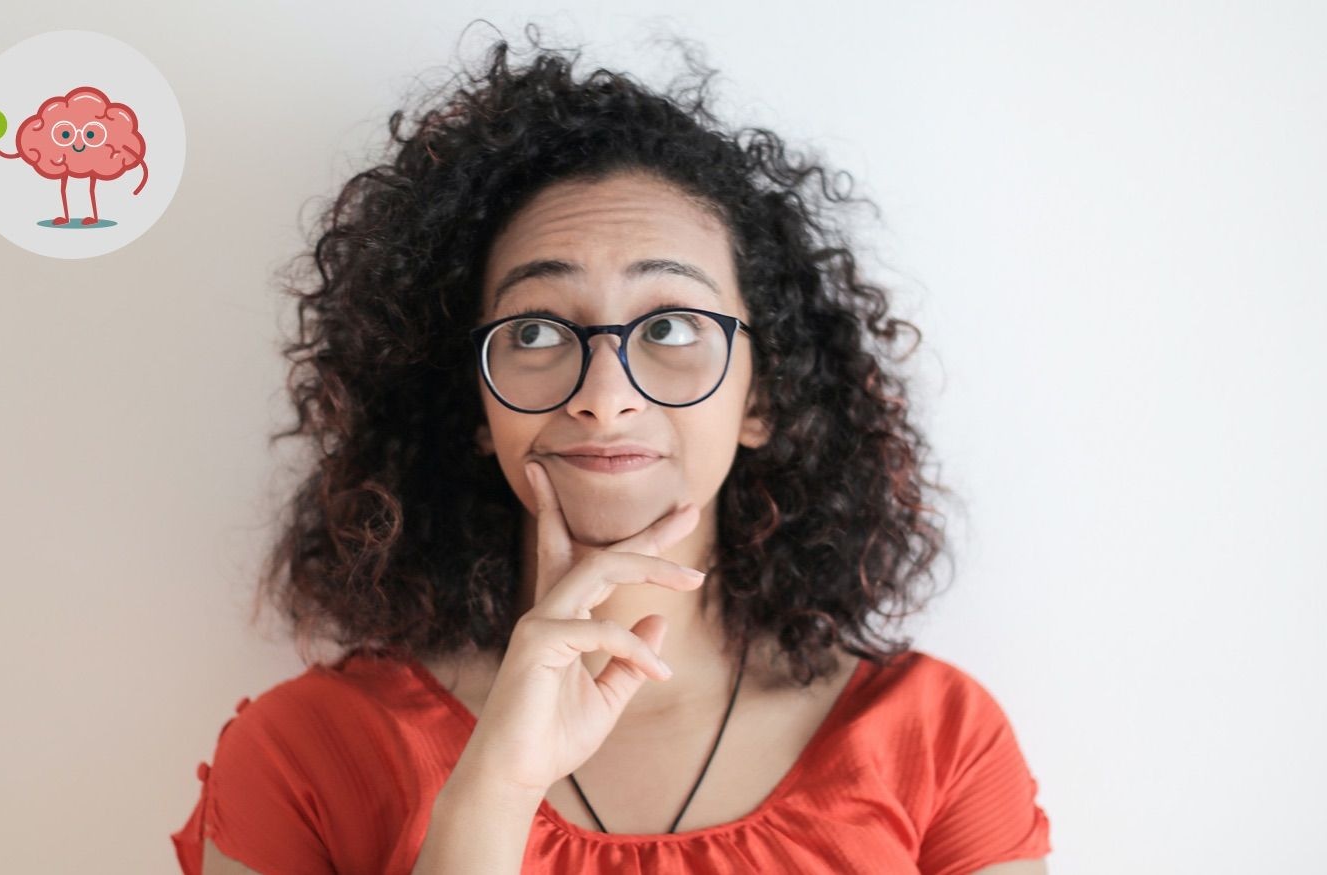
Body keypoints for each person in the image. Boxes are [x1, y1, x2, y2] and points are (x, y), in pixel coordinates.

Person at [171, 22, 1052, 875]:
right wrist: (493, 791)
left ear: (765, 393)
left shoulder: (938, 740)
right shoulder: (306, 755)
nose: (604, 396)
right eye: (537, 329)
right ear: (478, 405)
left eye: (669, 324)